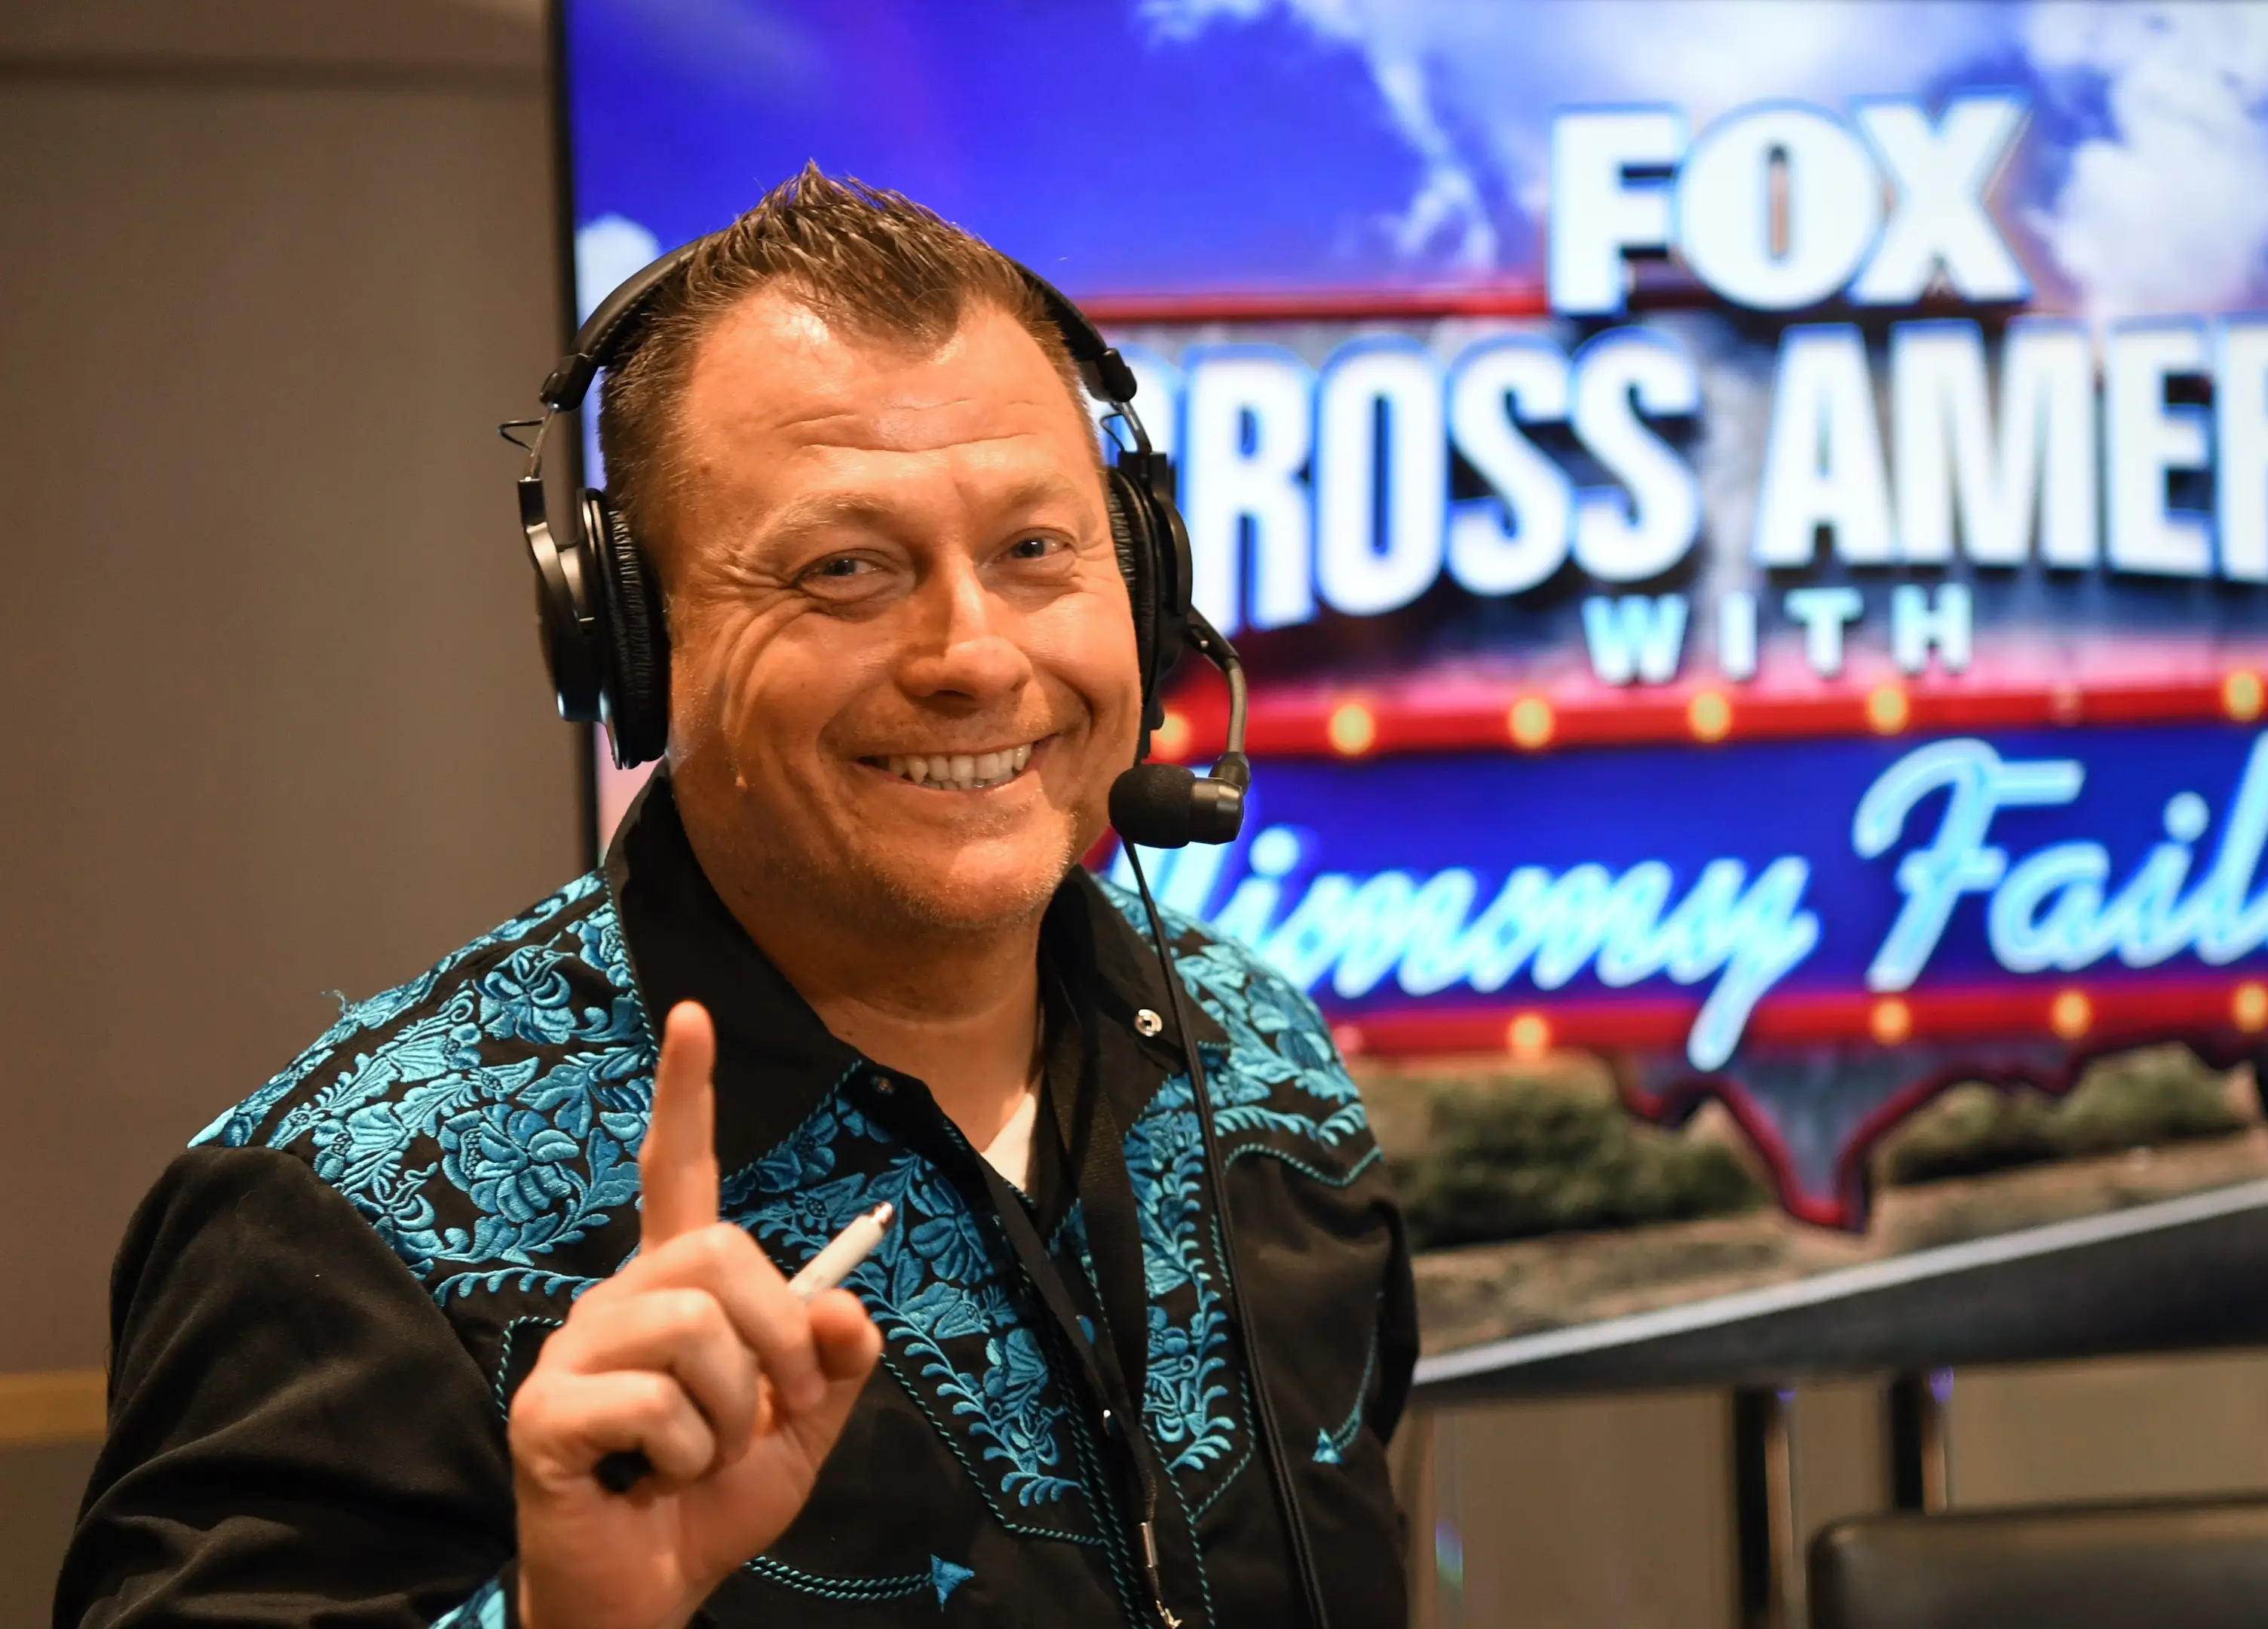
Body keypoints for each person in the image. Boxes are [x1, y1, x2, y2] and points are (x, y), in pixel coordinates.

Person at [57, 170, 1418, 1629]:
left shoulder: (1257, 1056)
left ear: (1143, 585)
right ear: (630, 645)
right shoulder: (338, 1223)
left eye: (1035, 550)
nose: (971, 654)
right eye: (845, 568)